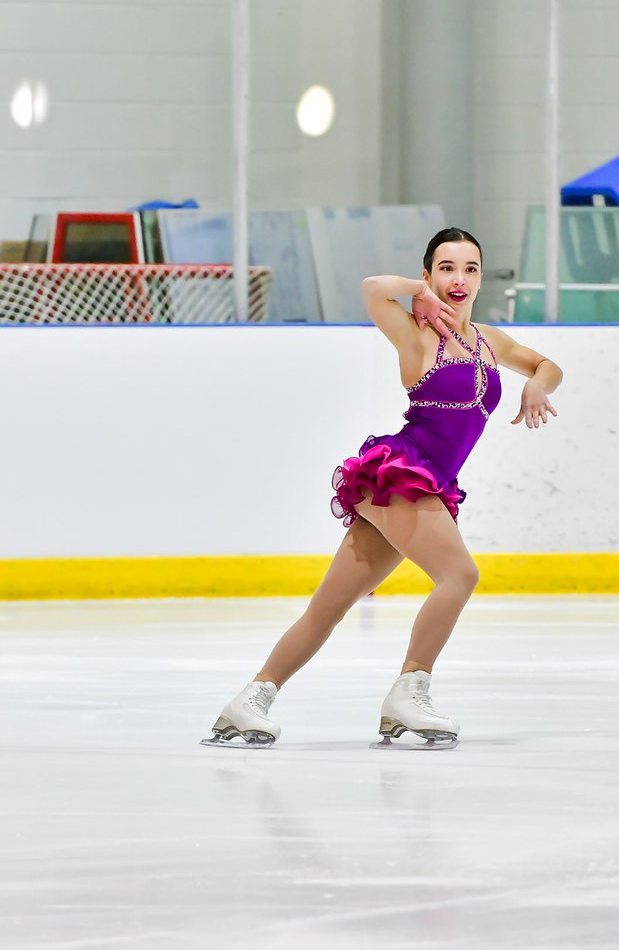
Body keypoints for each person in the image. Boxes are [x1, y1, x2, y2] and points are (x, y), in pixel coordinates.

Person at [202, 227, 563, 750]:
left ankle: (249, 701)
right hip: (400, 473)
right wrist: (419, 296)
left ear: (481, 277)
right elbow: (373, 287)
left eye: (470, 269)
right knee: (460, 574)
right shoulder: (415, 333)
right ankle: (410, 690)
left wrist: (535, 385)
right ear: (427, 274)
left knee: (327, 609)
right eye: (446, 268)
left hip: (430, 483)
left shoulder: (490, 341)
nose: (459, 279)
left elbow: (549, 366)